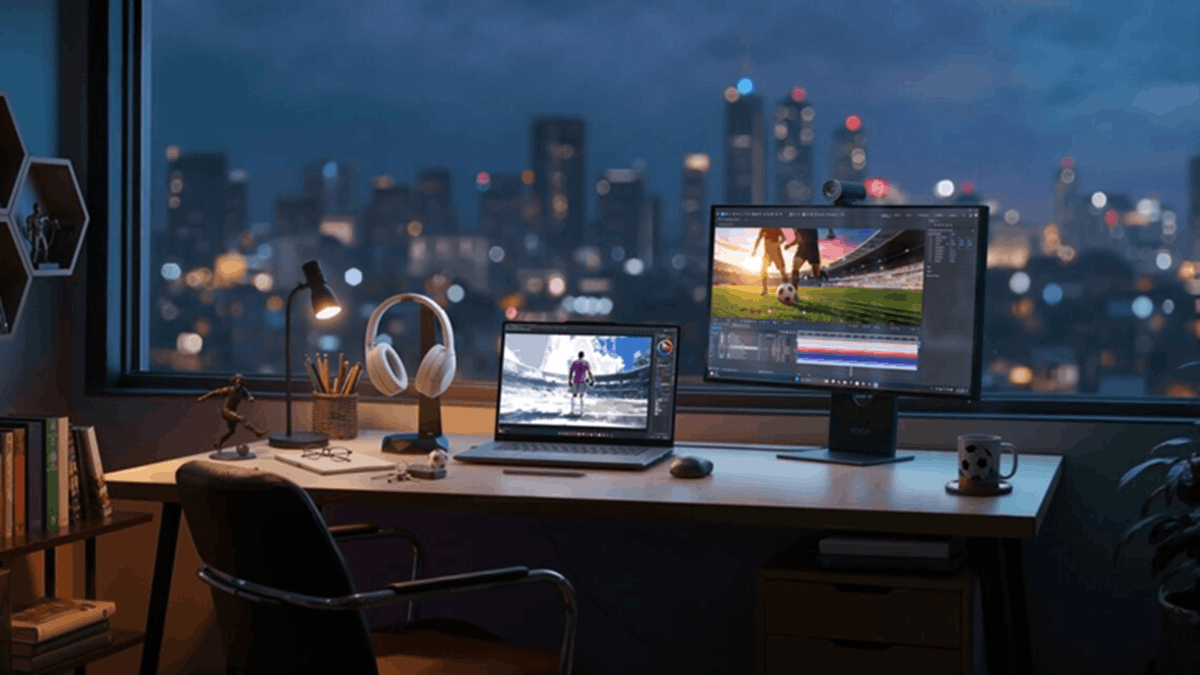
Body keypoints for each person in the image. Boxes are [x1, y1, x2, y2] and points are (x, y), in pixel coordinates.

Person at [198, 373, 266, 451]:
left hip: (232, 412)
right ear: (234, 382)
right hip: (226, 411)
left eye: (240, 383)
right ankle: (257, 432)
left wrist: (250, 398)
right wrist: (203, 397)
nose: (239, 385)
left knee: (232, 431)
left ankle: (219, 443)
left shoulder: (243, 390)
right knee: (242, 418)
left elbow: (248, 394)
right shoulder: (228, 389)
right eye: (237, 382)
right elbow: (214, 392)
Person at [751, 227, 789, 296]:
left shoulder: (776, 228)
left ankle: (788, 289)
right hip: (767, 253)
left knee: (782, 271)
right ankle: (765, 290)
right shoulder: (763, 229)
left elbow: (784, 238)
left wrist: (778, 243)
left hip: (777, 252)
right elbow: (758, 239)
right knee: (763, 270)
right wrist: (754, 250)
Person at [568, 351, 594, 416]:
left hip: (575, 380)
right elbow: (589, 372)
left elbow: (571, 372)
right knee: (581, 396)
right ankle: (581, 412)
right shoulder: (586, 362)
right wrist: (592, 380)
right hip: (582, 381)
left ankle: (572, 411)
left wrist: (570, 380)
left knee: (574, 396)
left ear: (578, 355)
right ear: (583, 356)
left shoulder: (575, 362)